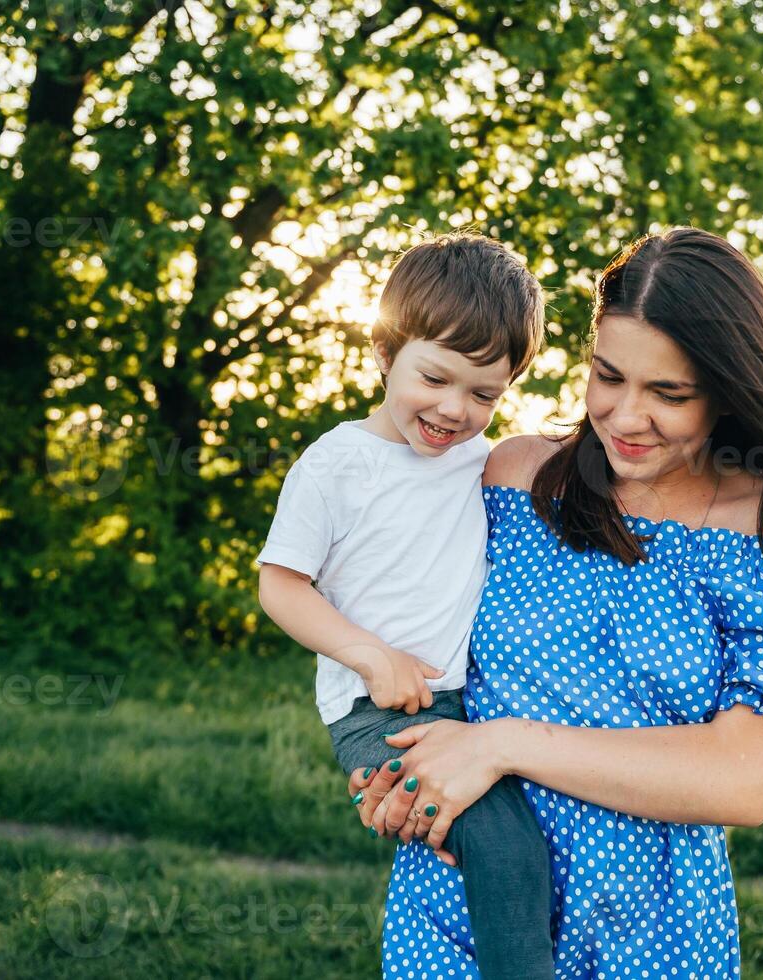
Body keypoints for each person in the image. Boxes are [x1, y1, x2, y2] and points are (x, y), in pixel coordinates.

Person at [346, 228, 763, 978]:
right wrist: (399, 775)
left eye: (668, 393)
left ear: (727, 388)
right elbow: (405, 633)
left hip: (646, 929)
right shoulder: (514, 479)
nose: (623, 416)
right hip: (466, 896)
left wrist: (499, 745)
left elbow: (741, 781)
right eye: (607, 376)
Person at [255, 232, 556, 979]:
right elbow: (280, 584)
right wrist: (369, 654)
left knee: (489, 851)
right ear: (386, 350)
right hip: (380, 710)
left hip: (460, 703)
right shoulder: (337, 464)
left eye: (484, 394)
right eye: (436, 377)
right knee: (506, 850)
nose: (454, 409)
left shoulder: (474, 463)